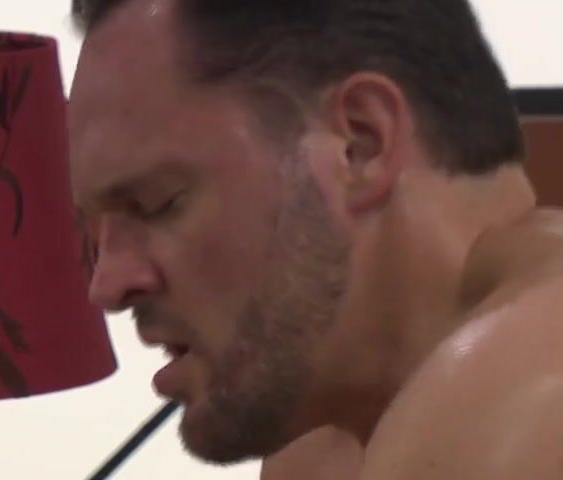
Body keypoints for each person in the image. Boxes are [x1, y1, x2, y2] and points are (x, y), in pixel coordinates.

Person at [67, 0, 563, 478]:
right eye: (96, 229)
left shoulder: (520, 409)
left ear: (361, 144)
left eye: (157, 202)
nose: (107, 285)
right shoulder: (321, 443)